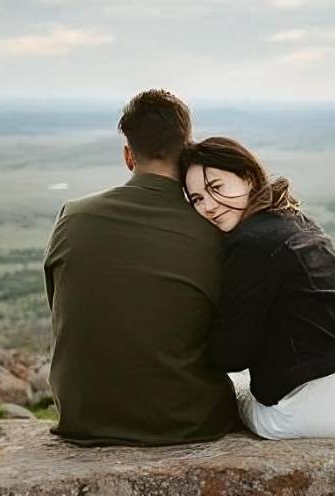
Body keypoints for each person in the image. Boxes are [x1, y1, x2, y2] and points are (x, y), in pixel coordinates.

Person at [43, 90, 238, 446]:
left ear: (128, 155)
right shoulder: (213, 231)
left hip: (84, 417)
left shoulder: (73, 216)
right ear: (186, 152)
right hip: (187, 421)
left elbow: (64, 307)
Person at [179, 136, 335, 440]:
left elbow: (229, 355)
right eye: (197, 199)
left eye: (216, 188)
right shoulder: (296, 219)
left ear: (248, 178)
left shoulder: (248, 243)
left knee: (229, 388)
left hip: (307, 413)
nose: (208, 206)